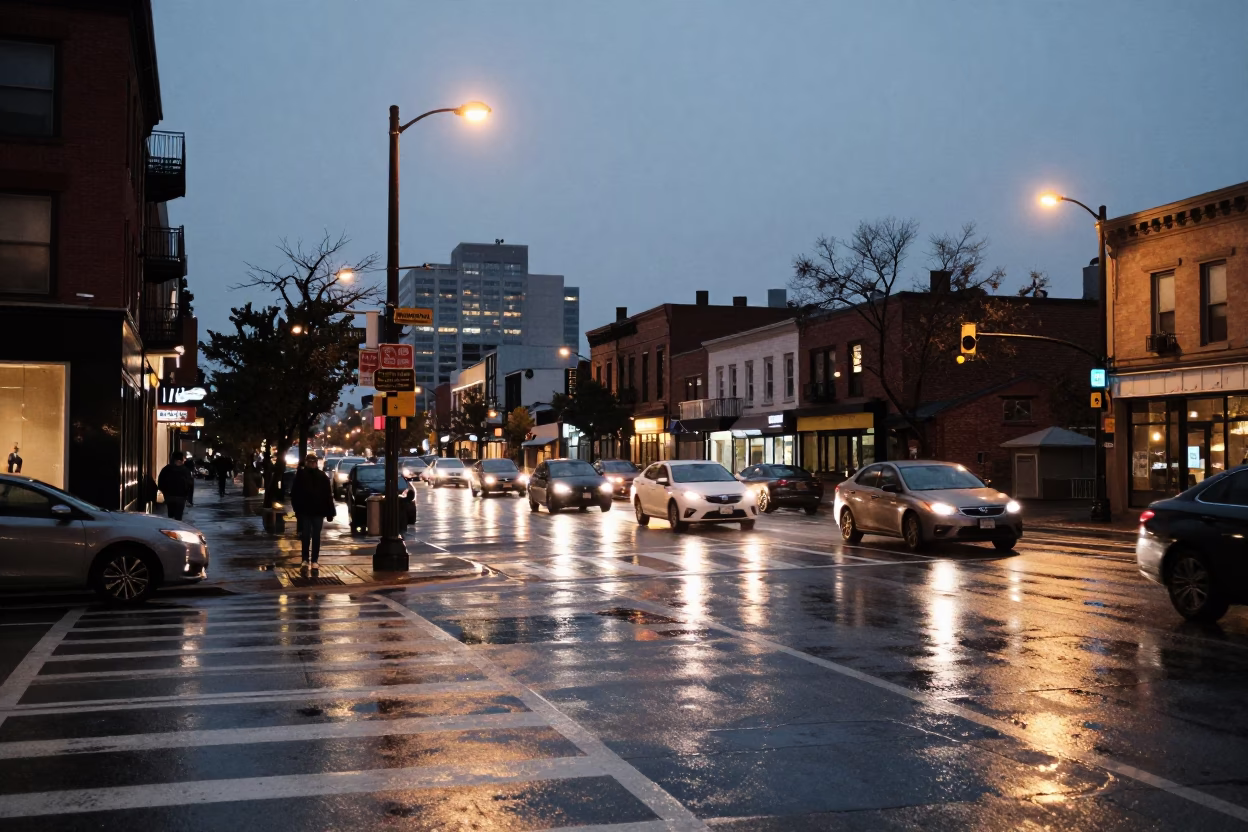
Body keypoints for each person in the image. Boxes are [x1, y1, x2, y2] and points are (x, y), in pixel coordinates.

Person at [289, 453, 334, 568]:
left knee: (315, 536)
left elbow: (328, 495)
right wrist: (297, 509)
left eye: (313, 462)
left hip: (318, 511)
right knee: (305, 536)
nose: (312, 464)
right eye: (310, 462)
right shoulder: (301, 476)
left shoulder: (322, 476)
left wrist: (330, 512)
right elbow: (295, 494)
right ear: (307, 463)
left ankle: (314, 560)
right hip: (305, 511)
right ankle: (305, 559)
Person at [157, 451, 195, 521]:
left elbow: (160, 482)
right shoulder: (185, 470)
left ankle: (171, 528)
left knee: (170, 514)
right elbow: (190, 484)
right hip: (181, 496)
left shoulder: (166, 469)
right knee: (178, 516)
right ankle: (176, 528)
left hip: (169, 495)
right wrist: (189, 499)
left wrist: (164, 492)